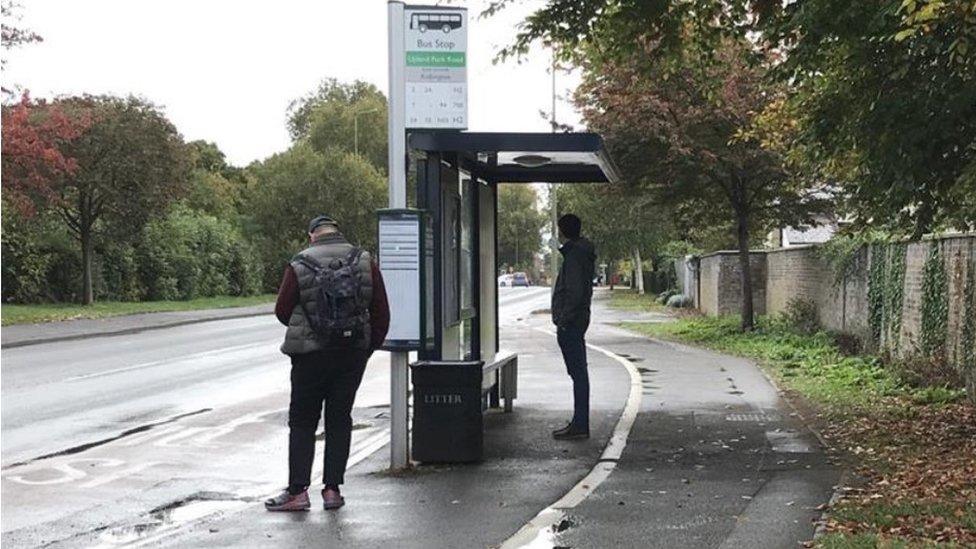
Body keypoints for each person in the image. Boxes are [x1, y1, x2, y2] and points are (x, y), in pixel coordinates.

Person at [265, 215, 390, 512]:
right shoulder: (363, 260)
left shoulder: (299, 263)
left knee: (303, 420)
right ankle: (332, 491)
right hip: (351, 354)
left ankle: (298, 492)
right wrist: (365, 348)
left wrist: (312, 326)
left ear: (312, 236)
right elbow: (381, 311)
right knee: (339, 419)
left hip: (309, 355)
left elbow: (282, 309)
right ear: (338, 232)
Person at [550, 213, 596, 440]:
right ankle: (580, 421)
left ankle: (580, 424)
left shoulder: (574, 256)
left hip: (572, 323)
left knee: (578, 373)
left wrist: (563, 318)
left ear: (563, 231)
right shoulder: (581, 254)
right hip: (577, 320)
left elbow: (575, 292)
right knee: (578, 373)